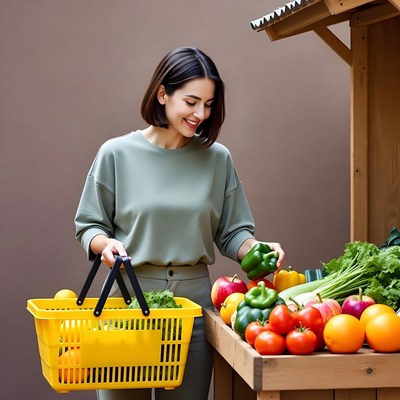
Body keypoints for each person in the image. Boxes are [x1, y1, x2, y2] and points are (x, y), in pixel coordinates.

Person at [74, 46, 285, 400]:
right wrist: (103, 245)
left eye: (208, 104)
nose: (200, 113)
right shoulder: (115, 153)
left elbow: (233, 233)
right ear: (162, 94)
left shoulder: (217, 159)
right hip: (128, 300)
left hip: (194, 308)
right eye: (191, 101)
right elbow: (89, 225)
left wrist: (256, 249)